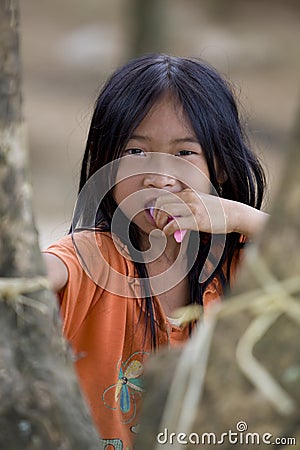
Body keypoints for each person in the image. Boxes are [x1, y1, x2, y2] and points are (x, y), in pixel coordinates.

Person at [43, 54, 268, 449]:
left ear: (220, 167)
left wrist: (239, 217)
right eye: (135, 151)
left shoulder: (249, 263)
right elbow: (40, 272)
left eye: (184, 153)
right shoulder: (94, 257)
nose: (160, 177)